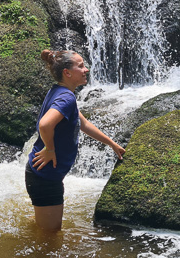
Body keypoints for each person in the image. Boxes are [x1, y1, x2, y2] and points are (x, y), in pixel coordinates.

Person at [25, 49, 125, 231]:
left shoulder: (60, 91)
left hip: (42, 175)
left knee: (44, 230)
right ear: (67, 73)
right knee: (50, 238)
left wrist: (111, 143)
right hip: (45, 178)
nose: (86, 70)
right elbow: (45, 125)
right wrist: (50, 150)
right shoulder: (66, 98)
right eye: (81, 66)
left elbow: (83, 123)